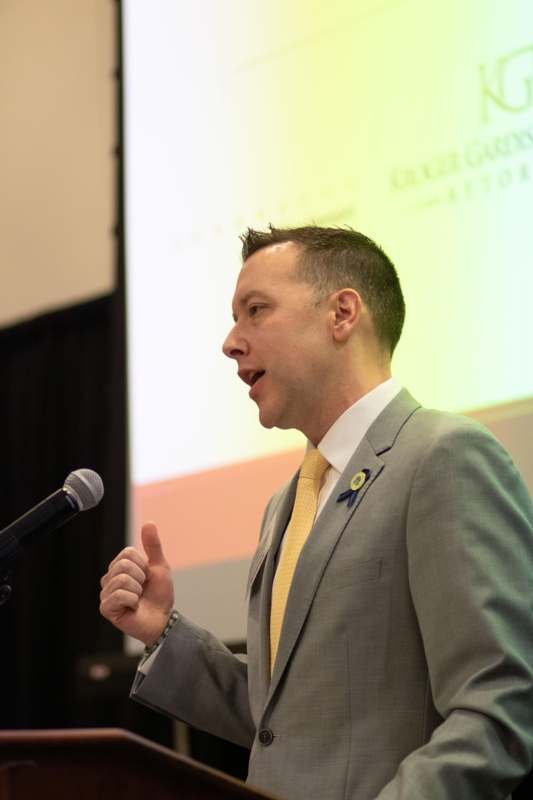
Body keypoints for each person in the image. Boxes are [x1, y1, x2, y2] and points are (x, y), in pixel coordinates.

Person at [100, 226, 533, 800]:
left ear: (342, 314)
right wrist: (163, 635)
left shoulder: (443, 456)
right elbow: (289, 723)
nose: (230, 342)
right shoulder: (287, 502)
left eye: (256, 310)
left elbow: (498, 707)